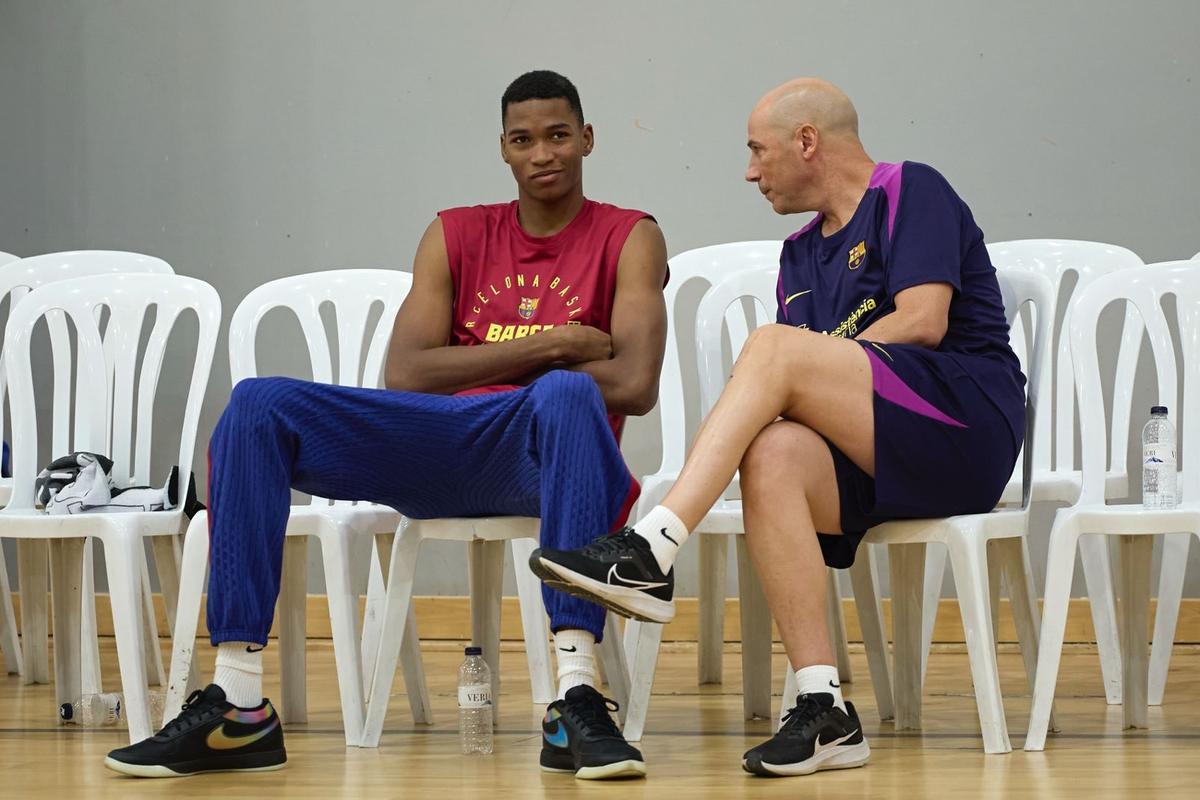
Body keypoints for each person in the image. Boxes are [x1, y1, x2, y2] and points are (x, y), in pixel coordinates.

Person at [105, 70, 668, 781]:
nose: (543, 154)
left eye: (558, 136)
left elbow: (634, 385)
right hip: (433, 441)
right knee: (256, 403)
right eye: (523, 140)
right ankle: (239, 705)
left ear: (586, 139)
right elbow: (406, 374)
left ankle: (576, 698)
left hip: (539, 452)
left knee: (566, 396)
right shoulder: (456, 232)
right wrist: (555, 342)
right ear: (503, 149)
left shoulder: (629, 236)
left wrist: (526, 371)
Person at [531, 78, 1026, 778]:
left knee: (773, 349)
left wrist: (800, 366)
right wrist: (794, 380)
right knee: (771, 452)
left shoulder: (910, 189)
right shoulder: (798, 256)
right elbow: (796, 395)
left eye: (758, 152)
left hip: (964, 428)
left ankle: (653, 547)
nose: (750, 171)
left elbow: (923, 321)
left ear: (807, 142)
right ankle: (824, 705)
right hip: (880, 450)